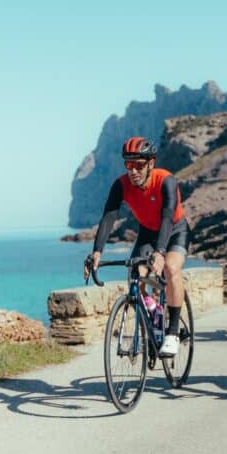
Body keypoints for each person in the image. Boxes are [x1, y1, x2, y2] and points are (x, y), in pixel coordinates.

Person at [84, 137, 188, 357]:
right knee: (134, 276)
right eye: (128, 165)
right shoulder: (121, 185)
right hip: (148, 233)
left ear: (151, 163)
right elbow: (109, 217)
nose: (133, 171)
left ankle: (172, 333)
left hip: (175, 230)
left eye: (138, 165)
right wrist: (97, 252)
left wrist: (160, 253)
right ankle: (153, 308)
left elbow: (168, 216)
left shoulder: (165, 180)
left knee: (170, 269)